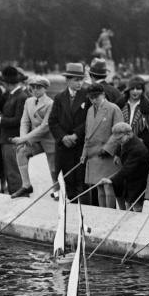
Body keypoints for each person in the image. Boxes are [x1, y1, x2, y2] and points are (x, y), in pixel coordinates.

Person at [48, 62, 90, 200]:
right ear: (68, 80)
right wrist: (63, 137)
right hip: (64, 147)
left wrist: (76, 135)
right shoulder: (59, 98)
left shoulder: (87, 96)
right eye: (76, 80)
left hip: (80, 146)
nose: (79, 83)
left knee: (82, 182)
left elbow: (89, 120)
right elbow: (52, 121)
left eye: (81, 79)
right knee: (68, 180)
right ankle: (70, 209)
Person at [12, 75, 55, 198]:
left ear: (45, 89)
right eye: (33, 87)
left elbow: (45, 126)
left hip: (49, 139)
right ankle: (26, 186)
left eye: (39, 87)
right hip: (34, 139)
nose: (35, 90)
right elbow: (24, 122)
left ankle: (56, 190)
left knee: (53, 169)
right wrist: (23, 138)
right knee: (21, 151)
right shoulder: (28, 101)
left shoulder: (50, 103)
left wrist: (24, 138)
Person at [82, 83, 123, 209]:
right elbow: (87, 135)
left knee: (108, 187)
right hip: (93, 155)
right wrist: (84, 154)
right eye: (91, 97)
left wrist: (106, 149)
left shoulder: (113, 108)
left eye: (96, 97)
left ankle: (110, 214)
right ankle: (102, 214)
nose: (94, 100)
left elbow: (119, 131)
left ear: (103, 95)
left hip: (107, 155)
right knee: (98, 186)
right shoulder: (89, 111)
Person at [100, 122, 149, 211]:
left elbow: (128, 168)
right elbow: (120, 145)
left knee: (135, 205)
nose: (118, 141)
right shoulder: (126, 141)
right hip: (130, 178)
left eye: (120, 138)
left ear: (129, 133)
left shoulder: (137, 149)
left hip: (138, 180)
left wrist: (111, 179)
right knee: (127, 201)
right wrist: (117, 154)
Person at [0, 66, 28, 196]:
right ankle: (14, 194)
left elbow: (19, 120)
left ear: (7, 83)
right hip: (8, 140)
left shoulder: (21, 96)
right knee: (10, 171)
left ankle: (20, 197)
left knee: (14, 171)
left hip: (13, 140)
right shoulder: (13, 95)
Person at [121, 76, 149, 149]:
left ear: (143, 90)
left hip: (140, 148)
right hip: (121, 146)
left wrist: (143, 141)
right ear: (128, 90)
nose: (135, 91)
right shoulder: (121, 105)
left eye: (138, 89)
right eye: (132, 88)